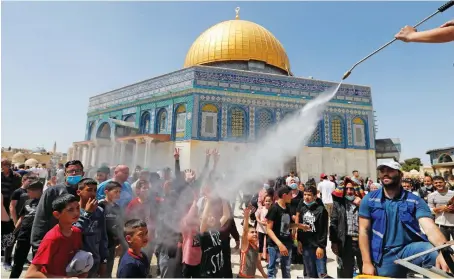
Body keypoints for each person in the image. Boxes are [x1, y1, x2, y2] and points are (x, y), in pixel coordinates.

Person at [359, 161, 449, 278]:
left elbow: (430, 227)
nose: (385, 174)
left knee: (434, 254)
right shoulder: (369, 199)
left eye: (390, 170)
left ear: (400, 174)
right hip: (384, 255)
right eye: (382, 171)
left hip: (408, 249)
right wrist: (366, 263)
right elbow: (363, 231)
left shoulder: (414, 200)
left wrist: (443, 250)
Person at [31, 160, 85, 253]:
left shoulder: (85, 193)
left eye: (77, 171)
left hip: (76, 247)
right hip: (55, 243)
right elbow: (41, 218)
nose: (74, 173)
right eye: (70, 171)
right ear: (65, 174)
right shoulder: (53, 192)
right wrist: (37, 245)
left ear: (83, 173)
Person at [24, 194, 84, 278]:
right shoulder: (52, 238)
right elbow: (30, 274)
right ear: (56, 214)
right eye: (70, 210)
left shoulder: (77, 232)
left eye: (77, 208)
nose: (76, 212)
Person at [266, 186, 307, 278]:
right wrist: (279, 245)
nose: (292, 196)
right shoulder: (274, 208)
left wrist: (299, 226)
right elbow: (268, 229)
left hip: (287, 244)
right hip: (275, 246)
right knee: (273, 270)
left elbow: (287, 225)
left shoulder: (287, 207)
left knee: (287, 269)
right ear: (284, 195)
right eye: (290, 194)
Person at [74, 178, 108, 278]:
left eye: (95, 190)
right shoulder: (73, 210)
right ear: (79, 192)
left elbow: (103, 237)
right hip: (77, 261)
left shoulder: (99, 211)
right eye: (89, 190)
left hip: (94, 261)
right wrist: (87, 213)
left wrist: (103, 260)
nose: (93, 193)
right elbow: (73, 232)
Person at [10, 181, 44, 278]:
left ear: (38, 191)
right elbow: (22, 217)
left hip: (38, 237)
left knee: (37, 263)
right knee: (18, 261)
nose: (27, 194)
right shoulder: (27, 202)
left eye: (29, 192)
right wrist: (14, 231)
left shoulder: (45, 202)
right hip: (23, 235)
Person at [330, 179, 363, 278]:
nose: (349, 191)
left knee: (364, 269)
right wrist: (334, 242)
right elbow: (333, 223)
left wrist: (362, 204)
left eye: (351, 189)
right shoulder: (338, 204)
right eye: (346, 189)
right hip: (346, 241)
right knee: (346, 270)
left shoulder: (364, 202)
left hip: (362, 241)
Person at [296, 185, 329, 279]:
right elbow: (300, 227)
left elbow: (324, 230)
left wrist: (321, 246)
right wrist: (299, 241)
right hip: (306, 246)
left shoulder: (321, 210)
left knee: (321, 273)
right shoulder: (303, 209)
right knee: (310, 273)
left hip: (317, 246)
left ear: (315, 196)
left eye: (309, 195)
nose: (306, 197)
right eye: (305, 194)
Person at [98, 181, 125, 277]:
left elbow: (120, 226)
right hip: (99, 245)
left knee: (108, 271)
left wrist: (119, 242)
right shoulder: (100, 206)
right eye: (115, 191)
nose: (118, 194)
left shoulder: (118, 208)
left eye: (119, 192)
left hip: (111, 245)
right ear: (106, 191)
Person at [199, 196, 225, 278]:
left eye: (213, 216)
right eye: (209, 216)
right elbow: (204, 219)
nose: (212, 218)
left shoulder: (216, 228)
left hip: (218, 269)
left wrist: (225, 198)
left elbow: (226, 215)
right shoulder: (203, 233)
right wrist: (208, 202)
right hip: (207, 272)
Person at [238, 206, 267, 278]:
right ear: (247, 235)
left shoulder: (256, 247)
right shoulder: (245, 245)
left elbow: (258, 263)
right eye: (252, 232)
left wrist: (264, 275)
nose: (254, 234)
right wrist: (246, 217)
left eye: (255, 232)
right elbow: (245, 231)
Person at [428, 176, 454, 241]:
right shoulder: (431, 195)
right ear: (433, 184)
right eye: (436, 183)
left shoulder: (452, 193)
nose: (438, 184)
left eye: (440, 182)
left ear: (444, 183)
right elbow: (429, 210)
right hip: (441, 225)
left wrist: (450, 209)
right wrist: (439, 209)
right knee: (444, 247)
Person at [256, 195, 272, 261]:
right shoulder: (261, 209)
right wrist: (260, 222)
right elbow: (257, 217)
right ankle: (259, 259)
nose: (267, 202)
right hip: (261, 229)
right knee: (261, 244)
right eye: (266, 201)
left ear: (272, 202)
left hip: (269, 230)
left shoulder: (272, 209)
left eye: (269, 201)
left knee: (268, 245)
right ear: (263, 202)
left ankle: (268, 259)